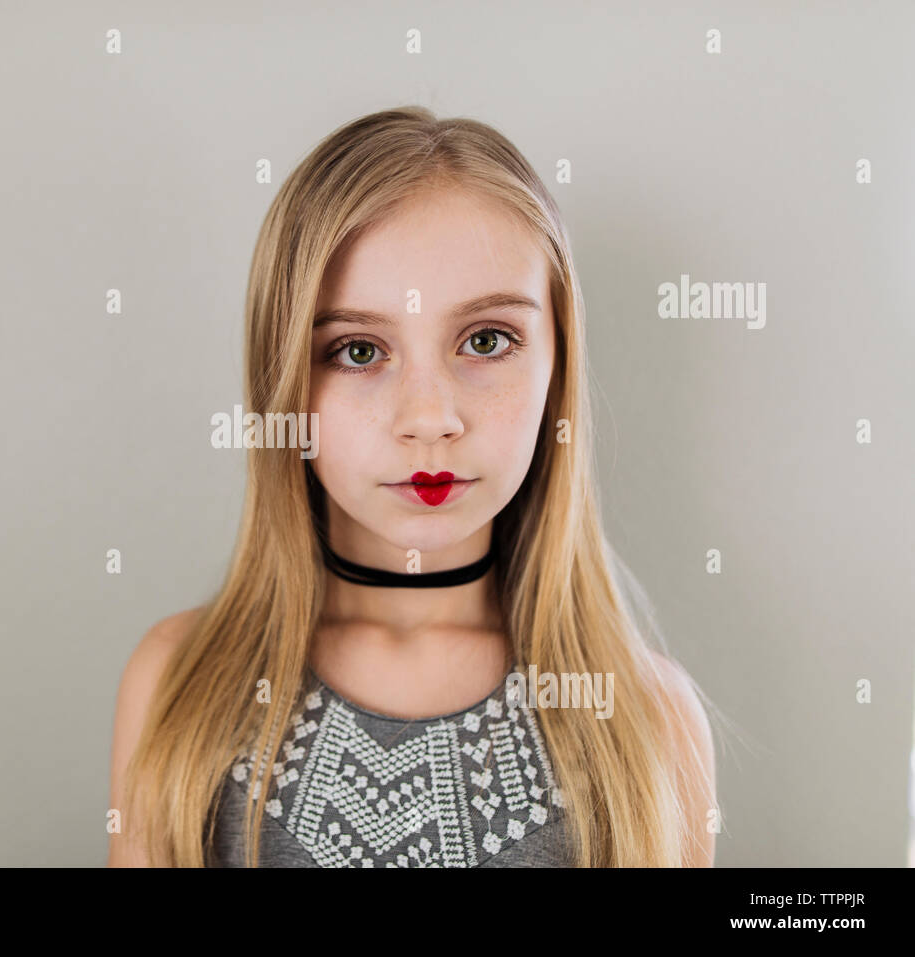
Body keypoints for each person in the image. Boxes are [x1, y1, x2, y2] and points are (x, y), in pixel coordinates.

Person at [108, 106, 719, 867]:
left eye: (487, 340)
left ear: (558, 366)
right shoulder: (180, 682)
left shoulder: (648, 720)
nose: (429, 419)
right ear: (285, 378)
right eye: (359, 349)